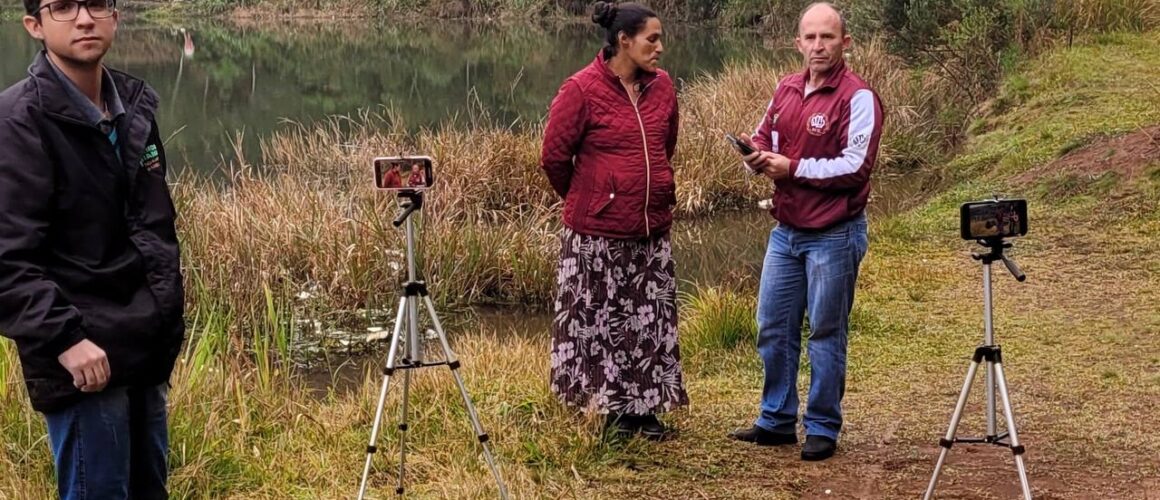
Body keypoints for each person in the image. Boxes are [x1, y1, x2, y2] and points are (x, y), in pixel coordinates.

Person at [0, 0, 185, 497]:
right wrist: (64, 339)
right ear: (34, 25)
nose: (84, 19)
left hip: (144, 344)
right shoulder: (18, 121)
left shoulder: (134, 107)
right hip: (81, 356)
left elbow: (153, 228)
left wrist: (164, 316)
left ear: (116, 17)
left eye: (97, 4)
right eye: (62, 7)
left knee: (151, 489)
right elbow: (7, 258)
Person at [727, 2, 883, 461]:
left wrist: (790, 167)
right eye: (810, 38)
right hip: (787, 230)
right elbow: (763, 137)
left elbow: (856, 167)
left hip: (835, 232)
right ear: (798, 43)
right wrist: (754, 156)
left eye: (827, 38)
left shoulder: (859, 97)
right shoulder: (786, 89)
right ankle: (775, 420)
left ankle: (822, 426)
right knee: (773, 327)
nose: (818, 46)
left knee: (826, 333)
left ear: (845, 43)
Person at [540, 1, 687, 441]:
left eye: (660, 39)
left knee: (648, 324)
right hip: (596, 235)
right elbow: (553, 158)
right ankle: (610, 414)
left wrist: (650, 188)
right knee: (602, 324)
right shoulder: (581, 89)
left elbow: (666, 146)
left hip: (650, 228)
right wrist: (591, 198)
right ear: (624, 40)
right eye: (652, 39)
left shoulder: (663, 88)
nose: (660, 48)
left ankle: (645, 412)